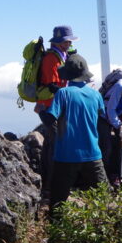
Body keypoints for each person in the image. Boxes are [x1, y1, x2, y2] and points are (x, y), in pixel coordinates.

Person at [40, 54, 108, 204]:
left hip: (66, 155)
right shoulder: (96, 95)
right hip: (93, 154)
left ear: (67, 75)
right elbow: (101, 114)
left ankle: (56, 226)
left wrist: (41, 110)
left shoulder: (62, 93)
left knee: (58, 202)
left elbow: (50, 119)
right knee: (104, 199)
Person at [35, 25, 79, 200]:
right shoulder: (51, 59)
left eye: (70, 41)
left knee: (51, 144)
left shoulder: (60, 56)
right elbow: (54, 86)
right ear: (60, 42)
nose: (69, 44)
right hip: (50, 108)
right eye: (67, 41)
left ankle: (46, 183)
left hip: (53, 107)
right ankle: (51, 187)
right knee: (56, 145)